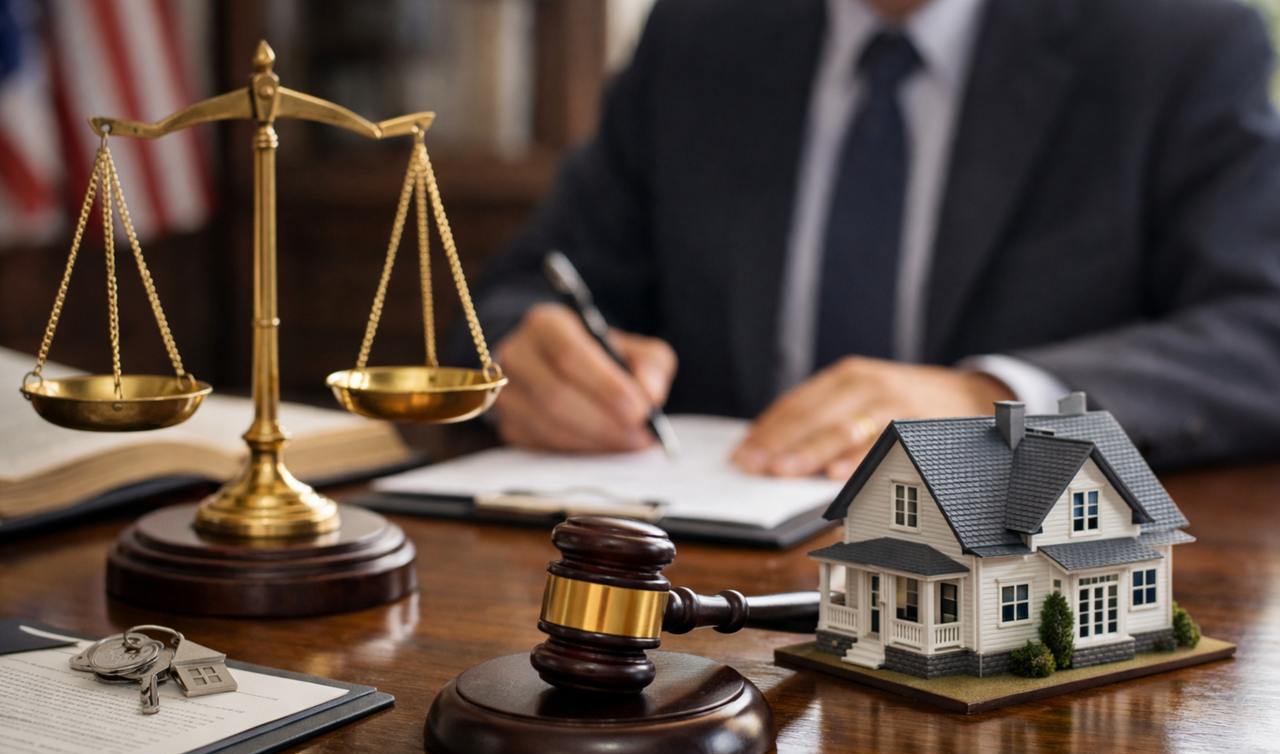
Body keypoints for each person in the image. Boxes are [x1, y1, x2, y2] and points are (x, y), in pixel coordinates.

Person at [472, 0, 1280, 476]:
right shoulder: (700, 32)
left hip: (1024, 600)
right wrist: (532, 355)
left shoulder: (1177, 39)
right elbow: (525, 288)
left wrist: (994, 400)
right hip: (709, 598)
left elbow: (1259, 329)